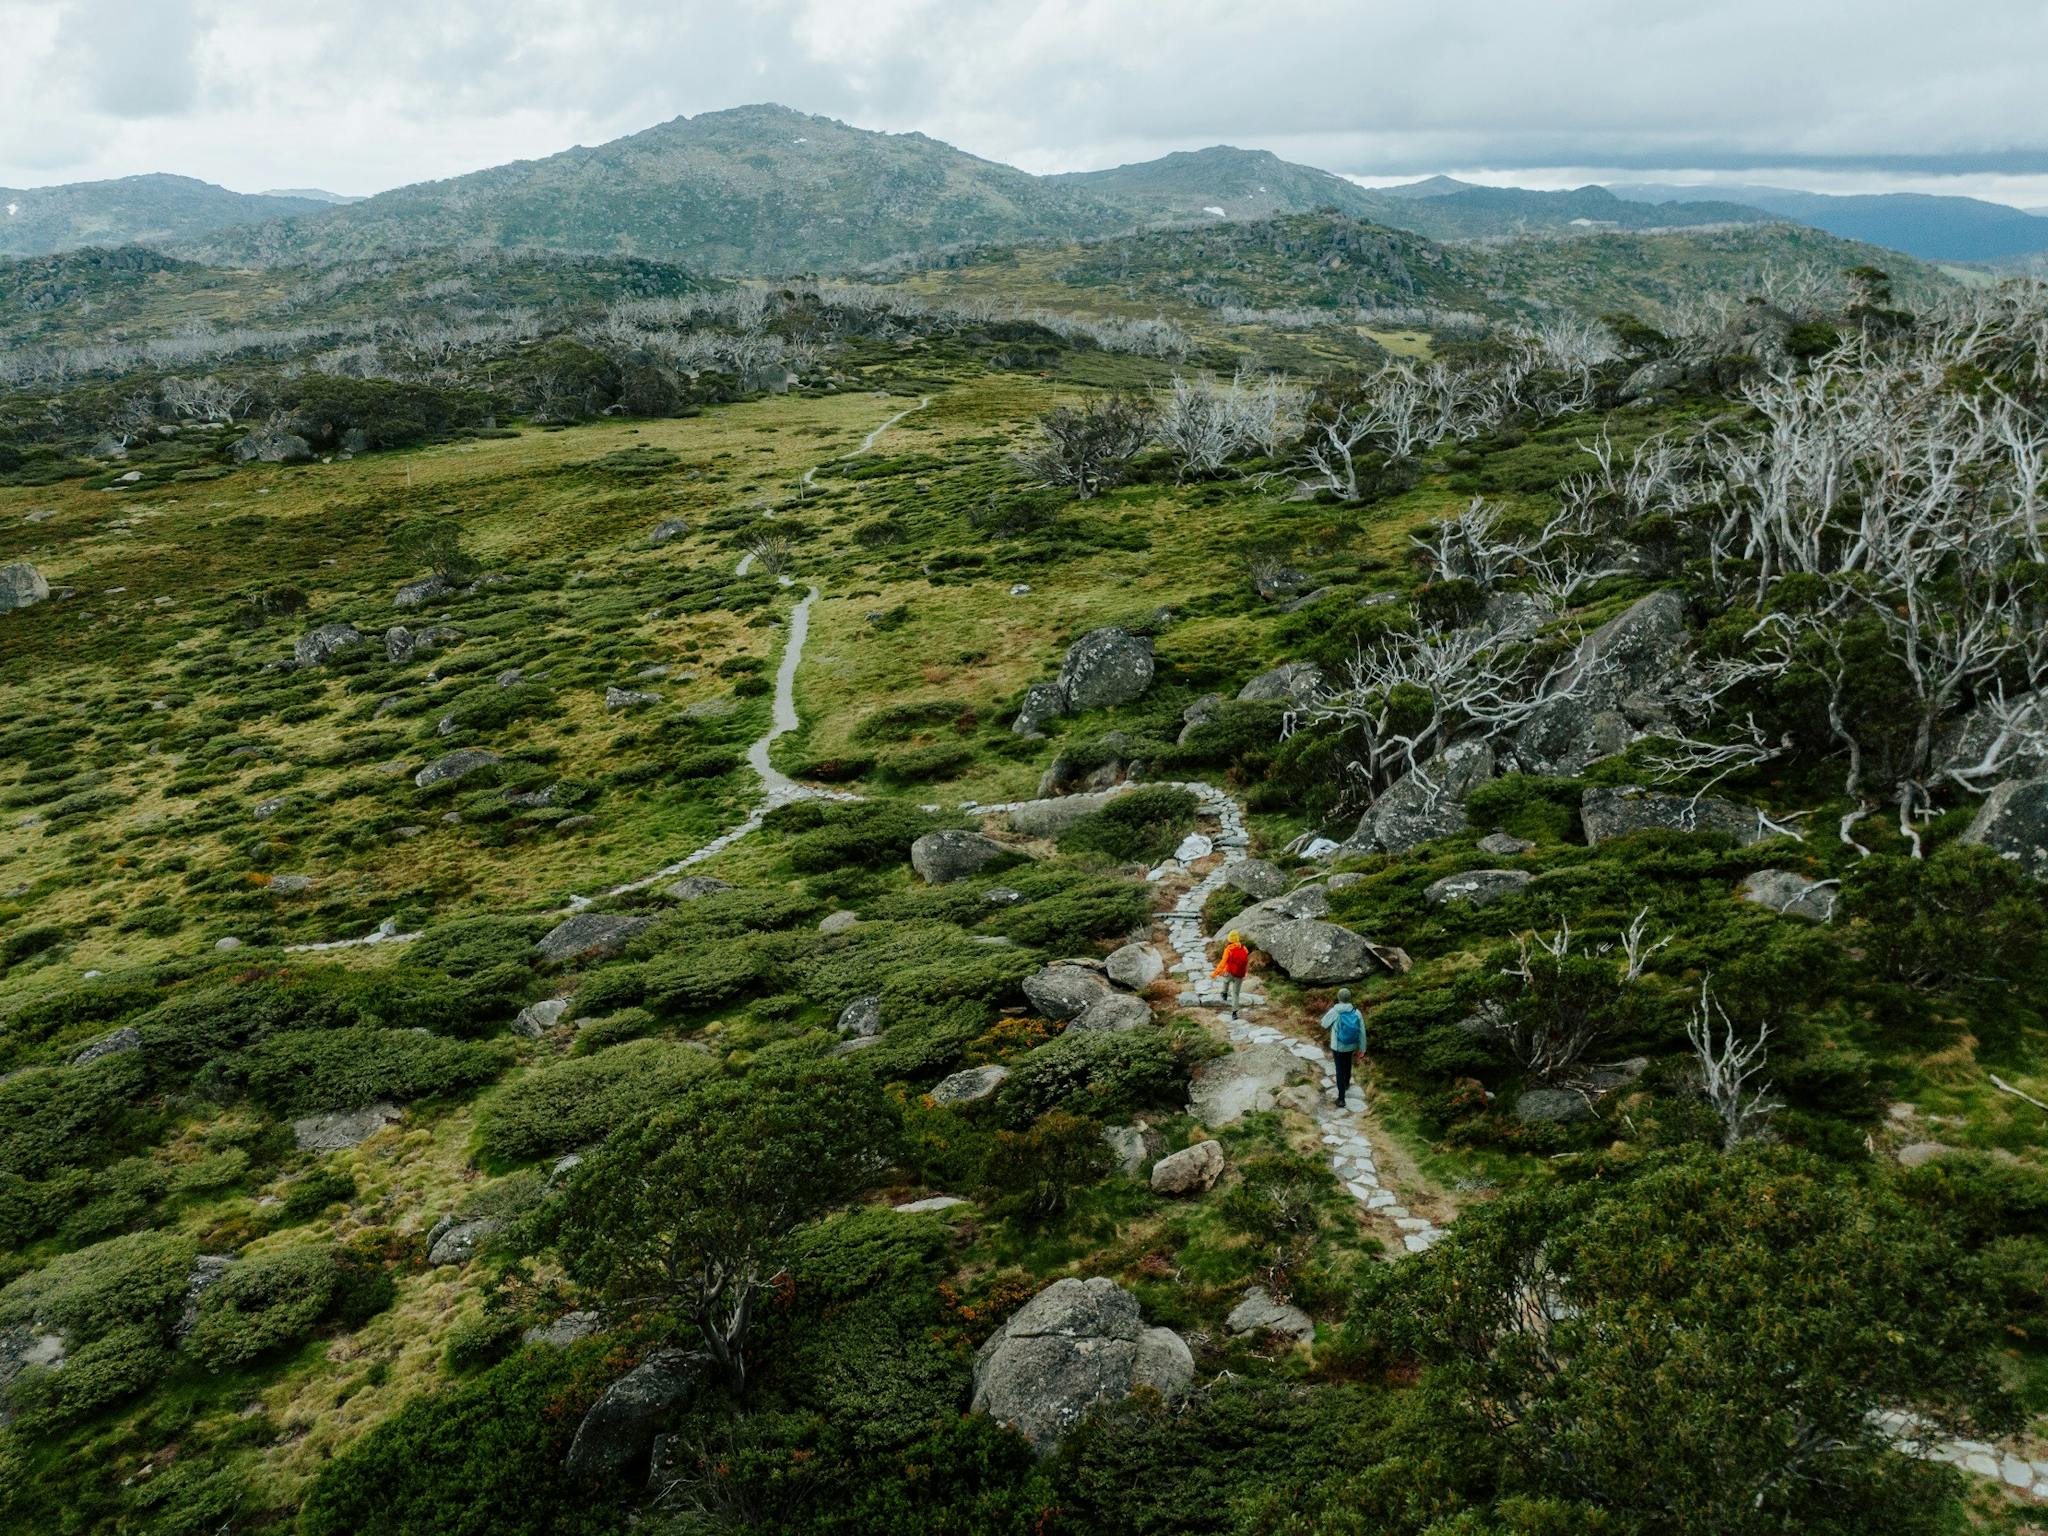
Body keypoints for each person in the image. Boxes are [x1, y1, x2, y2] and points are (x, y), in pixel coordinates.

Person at [1321, 987, 1367, 1108]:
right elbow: (1362, 1032)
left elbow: (1324, 1023)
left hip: (1338, 1046)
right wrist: (1362, 1048)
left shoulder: (1335, 1011)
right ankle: (1346, 1084)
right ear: (1349, 998)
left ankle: (1341, 1099)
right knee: (1348, 1063)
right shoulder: (1356, 1012)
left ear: (1339, 998)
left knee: (1339, 1070)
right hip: (1351, 1045)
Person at [1211, 930, 1251, 1017]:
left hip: (1229, 972)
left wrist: (1215, 973)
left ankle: (1224, 993)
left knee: (1225, 981)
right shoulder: (1244, 948)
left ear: (1229, 939)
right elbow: (1246, 962)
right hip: (1240, 974)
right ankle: (1234, 1013)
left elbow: (1223, 963)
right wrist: (1245, 972)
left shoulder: (1228, 950)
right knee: (1236, 993)